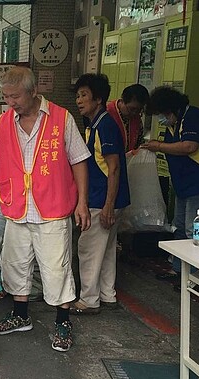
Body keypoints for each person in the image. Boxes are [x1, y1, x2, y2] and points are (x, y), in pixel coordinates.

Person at [0, 66, 91, 352]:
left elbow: (79, 161)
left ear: (33, 91)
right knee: (15, 264)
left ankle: (62, 321)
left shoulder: (62, 119)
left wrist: (83, 203)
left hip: (52, 206)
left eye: (15, 96)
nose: (11, 102)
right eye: (6, 96)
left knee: (56, 267)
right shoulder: (2, 123)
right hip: (17, 206)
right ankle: (20, 314)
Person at [141, 86, 199, 286]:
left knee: (195, 232)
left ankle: (195, 278)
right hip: (183, 186)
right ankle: (179, 269)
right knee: (178, 229)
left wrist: (158, 146)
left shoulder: (193, 117)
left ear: (171, 109)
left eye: (162, 114)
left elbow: (189, 146)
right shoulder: (172, 125)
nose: (161, 118)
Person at [70, 74, 130, 315]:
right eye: (77, 96)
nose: (79, 101)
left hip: (101, 200)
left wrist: (107, 205)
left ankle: (89, 300)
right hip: (108, 199)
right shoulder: (94, 124)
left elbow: (113, 167)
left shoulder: (105, 125)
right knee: (105, 250)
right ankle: (107, 295)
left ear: (98, 99)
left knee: (89, 249)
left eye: (84, 95)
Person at [106, 84, 149, 153]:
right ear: (122, 101)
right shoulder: (107, 113)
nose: (134, 113)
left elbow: (139, 142)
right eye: (132, 109)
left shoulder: (136, 117)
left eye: (139, 110)